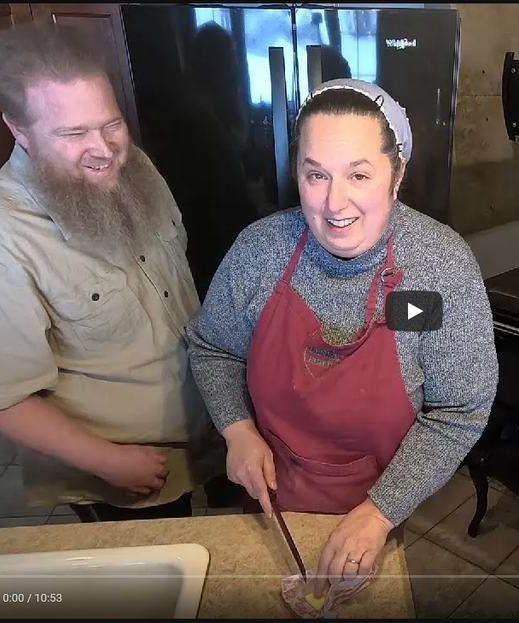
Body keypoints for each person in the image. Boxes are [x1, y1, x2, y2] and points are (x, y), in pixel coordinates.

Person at [185, 79, 499, 588]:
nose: (335, 203)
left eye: (359, 174)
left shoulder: (436, 269)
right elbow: (213, 348)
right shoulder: (259, 252)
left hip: (376, 503)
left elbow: (458, 410)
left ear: (395, 176)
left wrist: (378, 513)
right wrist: (237, 429)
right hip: (268, 499)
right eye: (316, 175)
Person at [0, 22, 225, 522]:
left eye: (111, 123)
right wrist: (108, 461)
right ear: (18, 130)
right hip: (119, 470)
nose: (104, 149)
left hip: (198, 434)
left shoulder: (133, 168)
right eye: (73, 133)